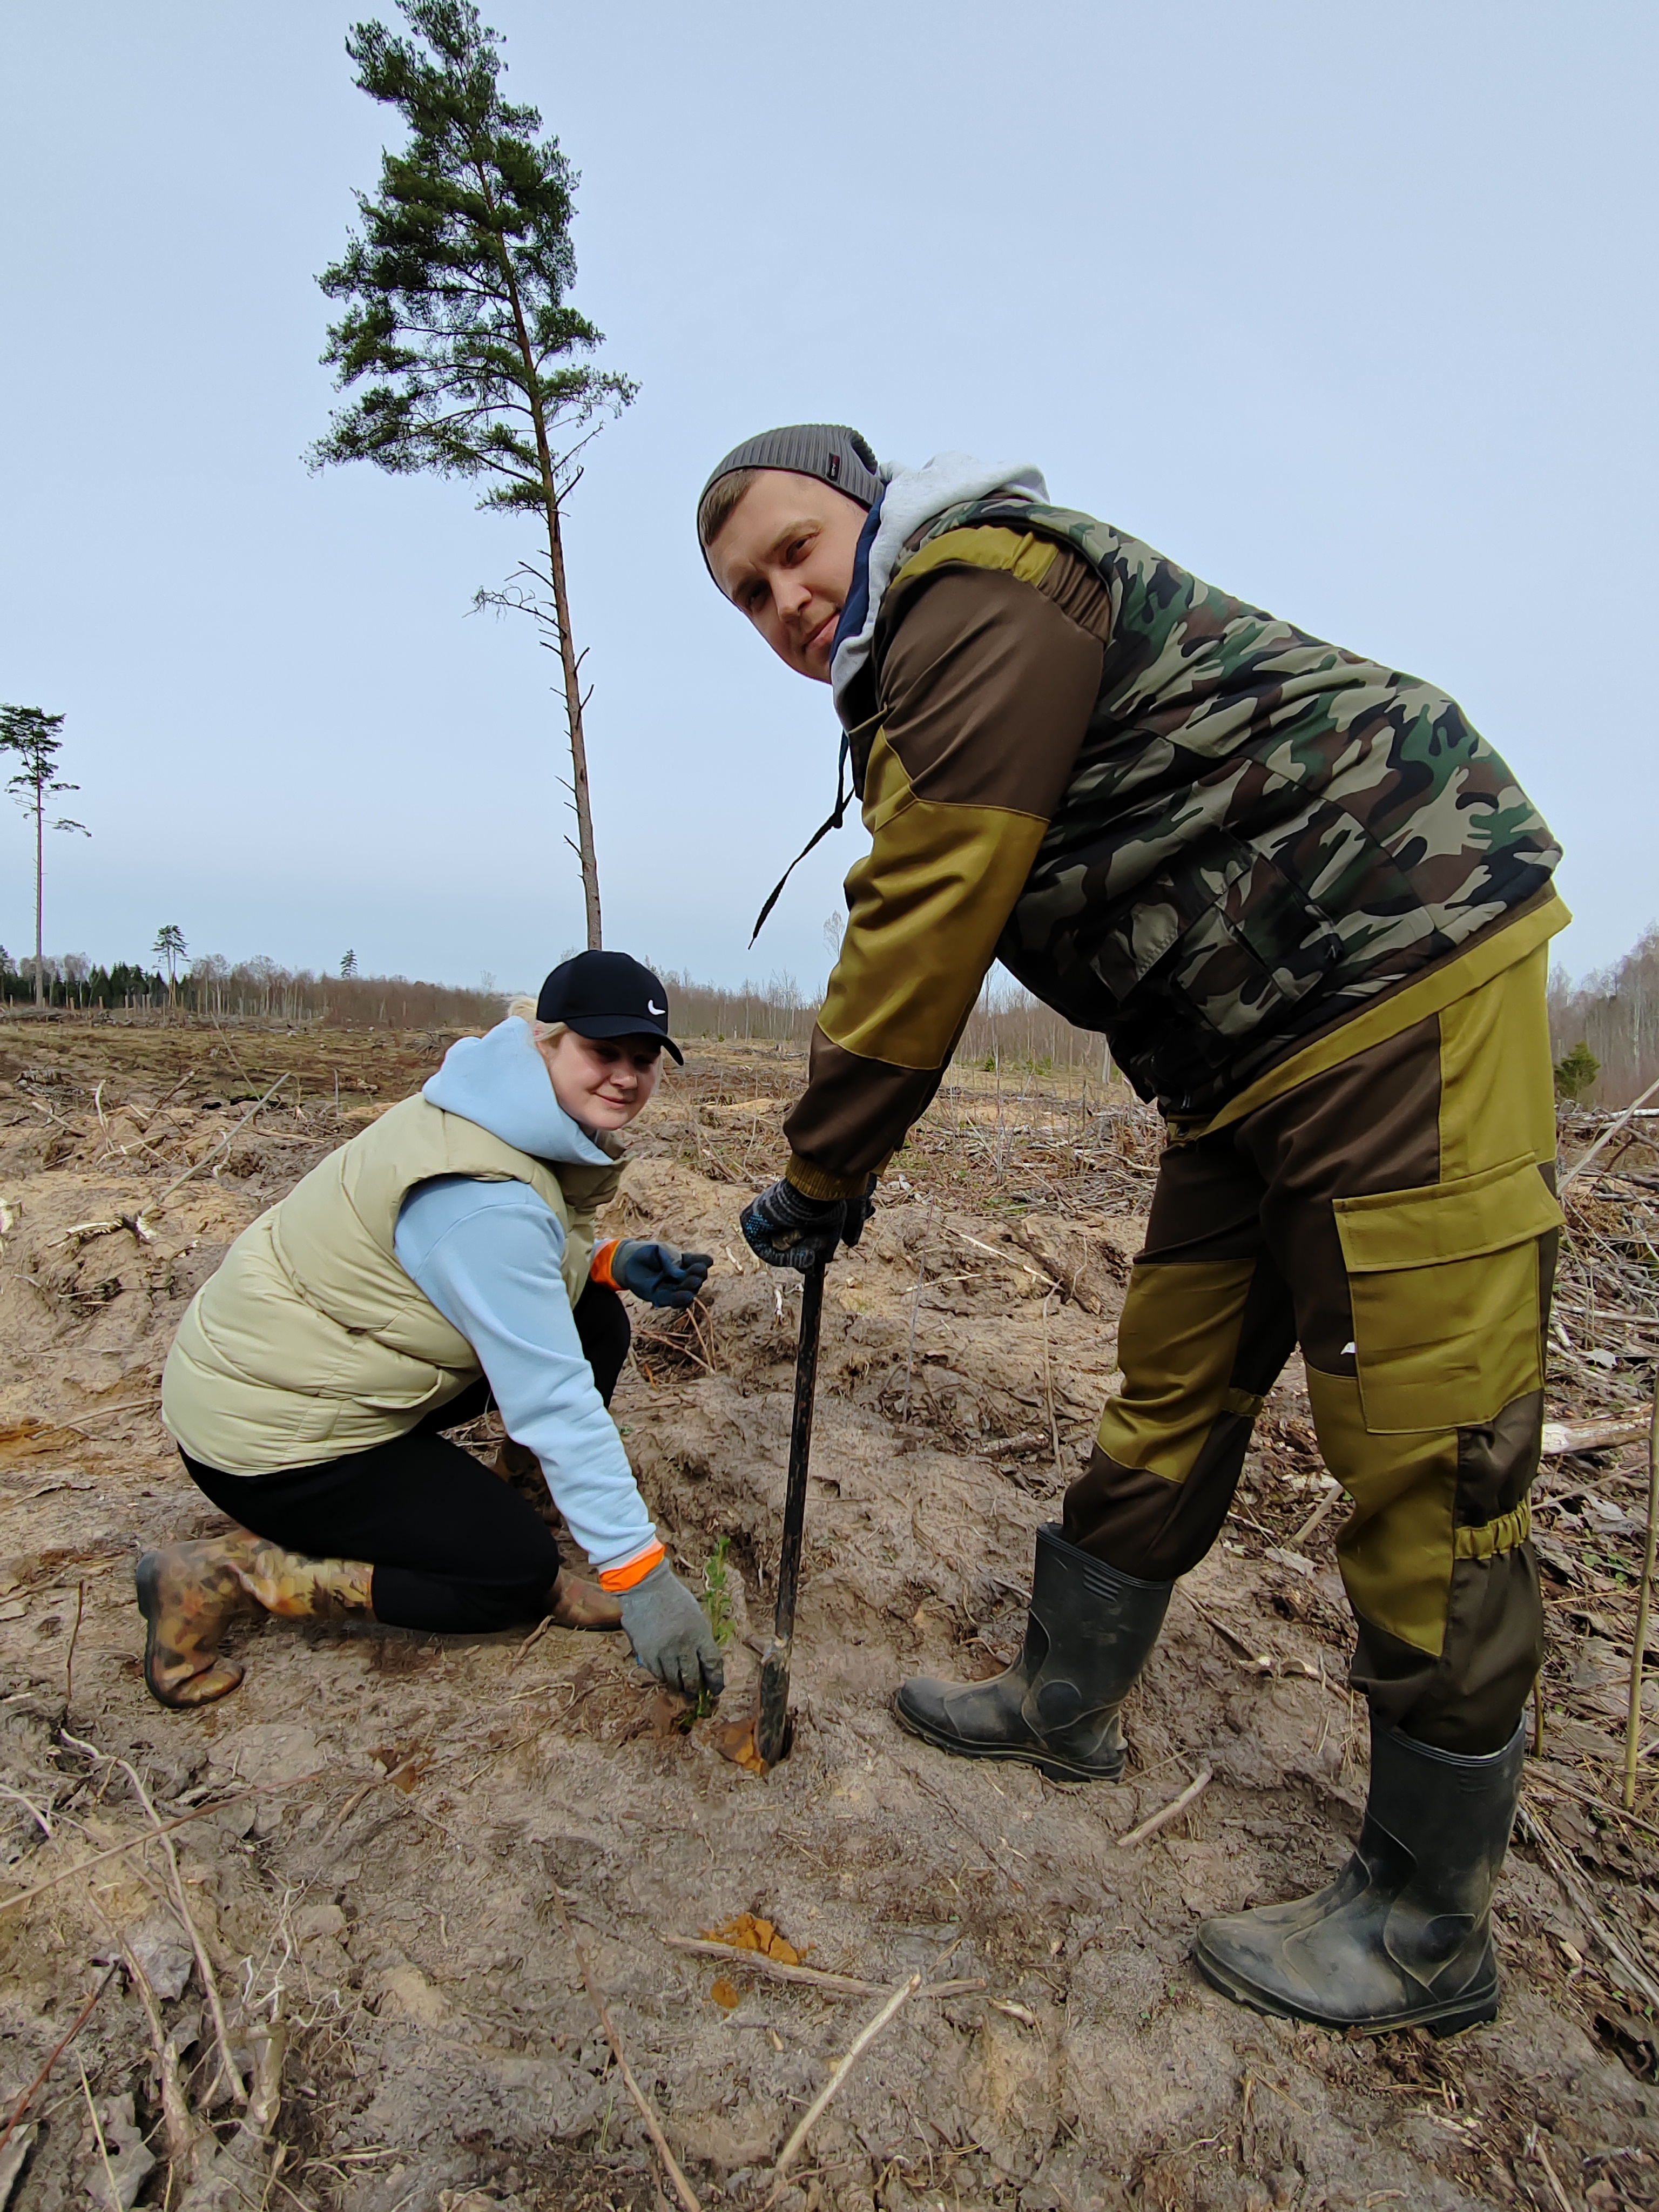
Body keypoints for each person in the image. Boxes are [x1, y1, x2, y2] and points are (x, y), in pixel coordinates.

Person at [700, 424, 1566, 2036]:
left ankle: (1430, 1929)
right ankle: (1065, 1698)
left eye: (798, 552)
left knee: (1425, 1452)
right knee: (1169, 1377)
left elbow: (926, 917)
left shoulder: (975, 599)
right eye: (749, 595)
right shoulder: (920, 655)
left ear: (870, 511)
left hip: (1390, 958)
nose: (785, 602)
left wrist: (823, 1177)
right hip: (1244, 1046)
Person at [141, 951, 725, 1712]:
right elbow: (551, 1396)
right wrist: (640, 1576)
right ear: (546, 1041)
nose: (625, 1076)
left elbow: (486, 1269)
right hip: (273, 1439)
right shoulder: (480, 1195)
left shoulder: (497, 1105)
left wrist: (611, 1262)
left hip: (326, 1368)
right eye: (601, 1053)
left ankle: (511, 1504)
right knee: (508, 1580)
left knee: (594, 1318)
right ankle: (219, 1578)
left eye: (643, 1059)